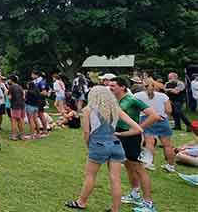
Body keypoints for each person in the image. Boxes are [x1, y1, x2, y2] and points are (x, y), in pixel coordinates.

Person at [64, 86, 143, 212]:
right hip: (116, 144)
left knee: (90, 176)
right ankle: (115, 209)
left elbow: (86, 132)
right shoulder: (116, 109)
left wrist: (89, 145)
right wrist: (120, 135)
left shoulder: (88, 110)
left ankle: (81, 202)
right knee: (115, 179)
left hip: (98, 144)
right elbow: (138, 129)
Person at [109, 77, 160, 211]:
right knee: (128, 165)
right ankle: (135, 193)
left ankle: (148, 202)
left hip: (131, 137)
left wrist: (138, 128)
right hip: (119, 134)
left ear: (122, 87)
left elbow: (154, 116)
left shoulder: (131, 99)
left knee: (138, 168)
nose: (110, 88)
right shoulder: (116, 99)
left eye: (113, 86)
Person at [134, 81, 176, 172]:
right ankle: (171, 166)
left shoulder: (137, 95)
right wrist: (164, 117)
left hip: (147, 119)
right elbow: (169, 110)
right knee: (167, 145)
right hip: (162, 119)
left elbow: (134, 108)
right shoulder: (163, 96)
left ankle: (150, 164)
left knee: (149, 142)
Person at [7, 76, 26, 141]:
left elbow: (9, 97)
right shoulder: (20, 87)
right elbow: (23, 96)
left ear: (11, 80)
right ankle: (22, 135)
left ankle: (14, 136)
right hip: (22, 105)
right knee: (20, 120)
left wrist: (10, 102)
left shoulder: (11, 87)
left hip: (15, 105)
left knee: (14, 120)